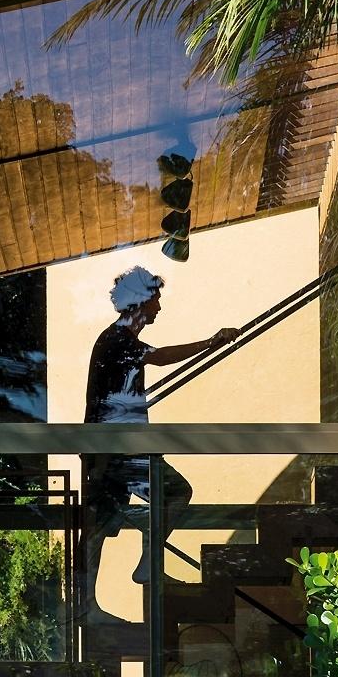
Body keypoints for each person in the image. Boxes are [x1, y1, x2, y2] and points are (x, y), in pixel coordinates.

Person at [81, 266, 237, 622]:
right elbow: (160, 355)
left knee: (102, 525)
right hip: (117, 452)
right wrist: (211, 341)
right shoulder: (118, 339)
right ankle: (135, 573)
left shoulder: (119, 340)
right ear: (141, 300)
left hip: (115, 450)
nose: (160, 307)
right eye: (156, 299)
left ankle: (94, 600)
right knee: (172, 493)